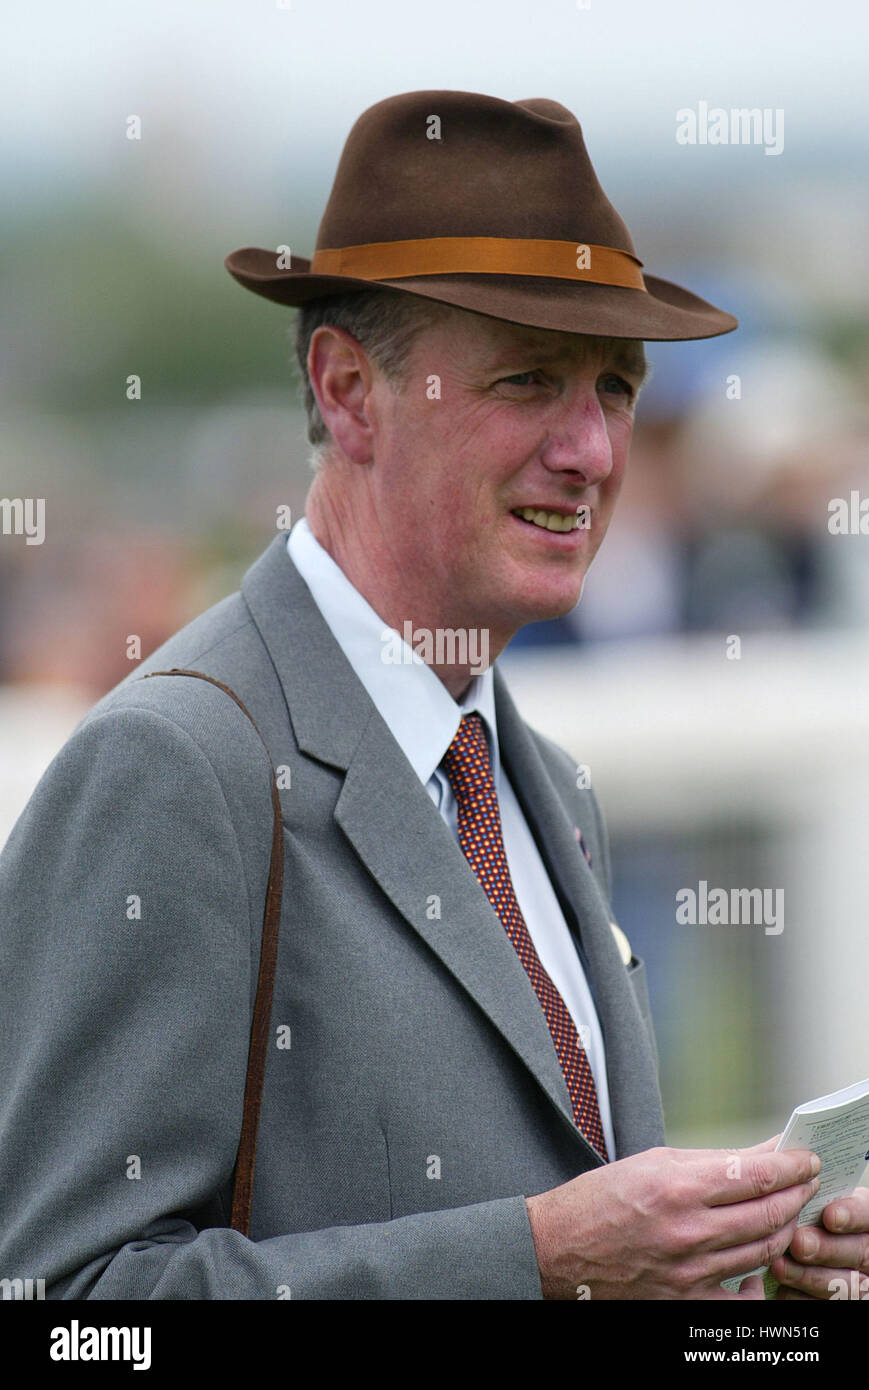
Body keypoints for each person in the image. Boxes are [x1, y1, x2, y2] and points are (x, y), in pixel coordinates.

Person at [1, 89, 866, 1302]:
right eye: (527, 381)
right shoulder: (172, 766)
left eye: (614, 388)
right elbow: (72, 1311)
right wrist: (540, 1261)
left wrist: (746, 1287)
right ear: (348, 392)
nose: (594, 450)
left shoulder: (542, 781)